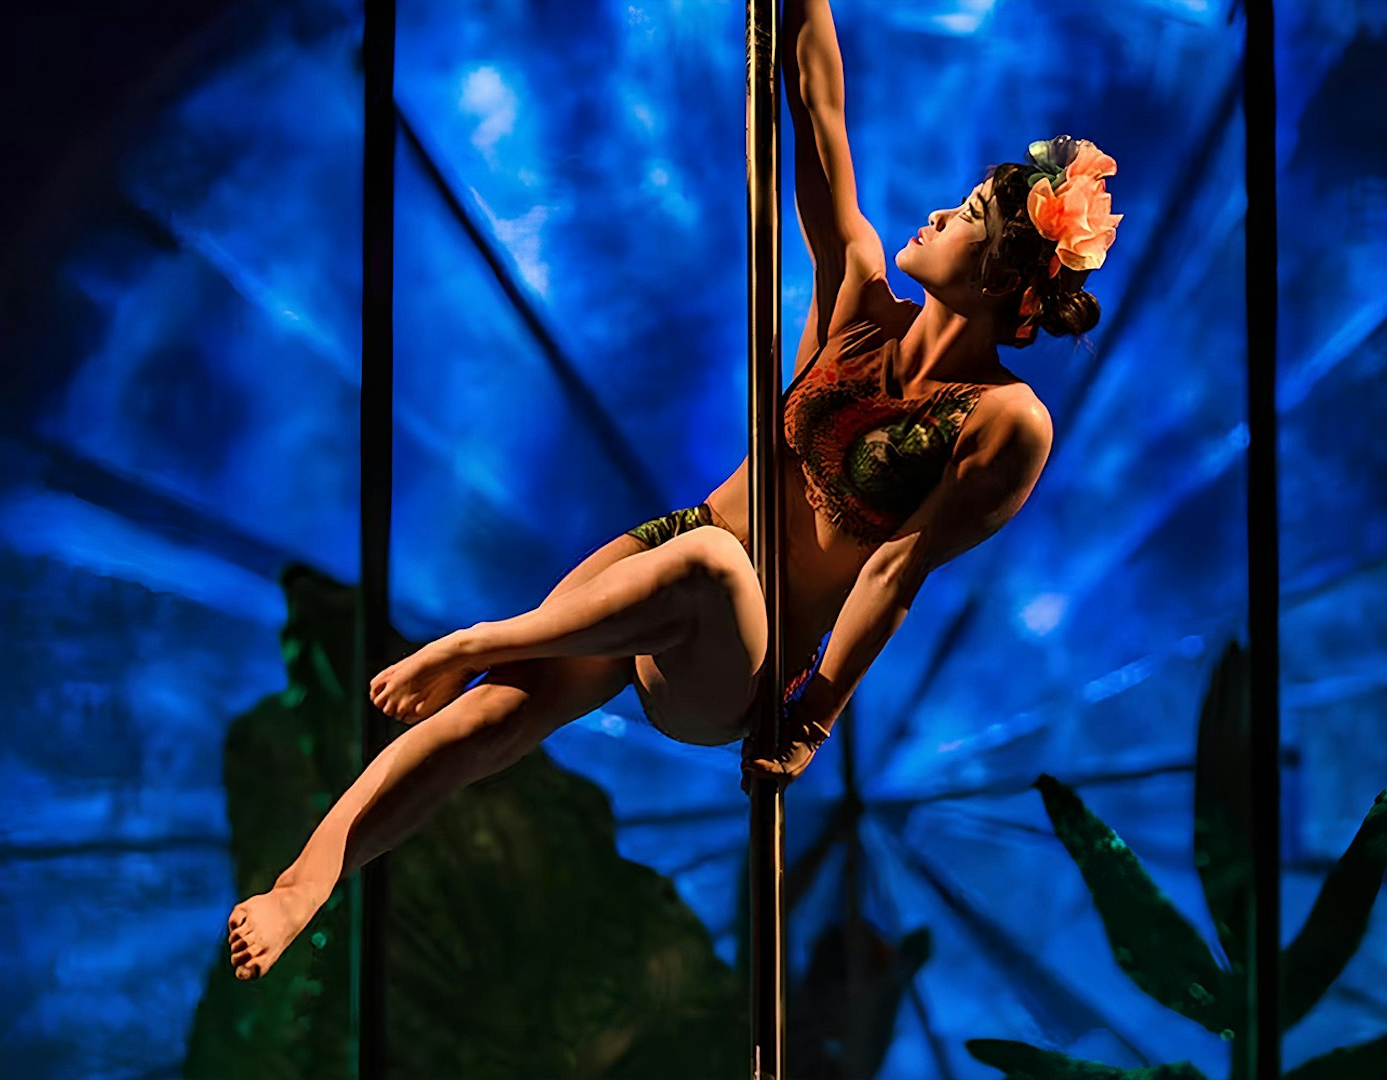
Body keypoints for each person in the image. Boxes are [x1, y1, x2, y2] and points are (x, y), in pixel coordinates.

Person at [226, 0, 1121, 981]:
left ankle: (475, 640)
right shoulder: (857, 298)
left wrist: (812, 721)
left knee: (707, 568)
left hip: (741, 664)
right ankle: (305, 881)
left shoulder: (1005, 422)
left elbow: (895, 573)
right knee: (491, 720)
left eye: (970, 217)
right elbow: (816, 107)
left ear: (999, 279)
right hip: (672, 547)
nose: (941, 213)